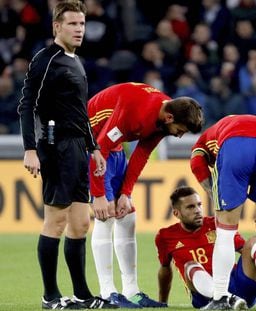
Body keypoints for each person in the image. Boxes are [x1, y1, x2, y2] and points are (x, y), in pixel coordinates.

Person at [17, 1, 114, 309]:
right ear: (57, 27)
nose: (79, 30)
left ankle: (83, 295)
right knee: (56, 221)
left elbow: (80, 112)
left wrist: (94, 147)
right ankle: (50, 296)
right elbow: (27, 105)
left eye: (82, 24)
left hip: (76, 148)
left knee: (81, 223)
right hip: (54, 145)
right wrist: (31, 148)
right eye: (73, 24)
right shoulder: (46, 60)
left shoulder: (75, 61)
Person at [88, 82, 204, 308]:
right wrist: (99, 195)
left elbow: (142, 153)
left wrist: (126, 193)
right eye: (180, 131)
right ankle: (107, 292)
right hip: (89, 144)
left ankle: (131, 291)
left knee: (127, 214)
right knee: (106, 215)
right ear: (170, 118)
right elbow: (99, 148)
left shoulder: (164, 115)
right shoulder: (135, 110)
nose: (179, 136)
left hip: (114, 147)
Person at [190, 114, 256, 310]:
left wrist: (215, 193)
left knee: (226, 232)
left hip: (234, 146)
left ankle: (220, 298)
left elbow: (196, 163)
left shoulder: (205, 140)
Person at [155, 186, 256, 310]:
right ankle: (225, 299)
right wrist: (162, 302)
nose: (198, 210)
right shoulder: (165, 236)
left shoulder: (216, 224)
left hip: (238, 286)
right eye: (190, 207)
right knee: (190, 266)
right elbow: (165, 269)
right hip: (205, 298)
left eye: (199, 205)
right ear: (176, 213)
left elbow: (247, 251)